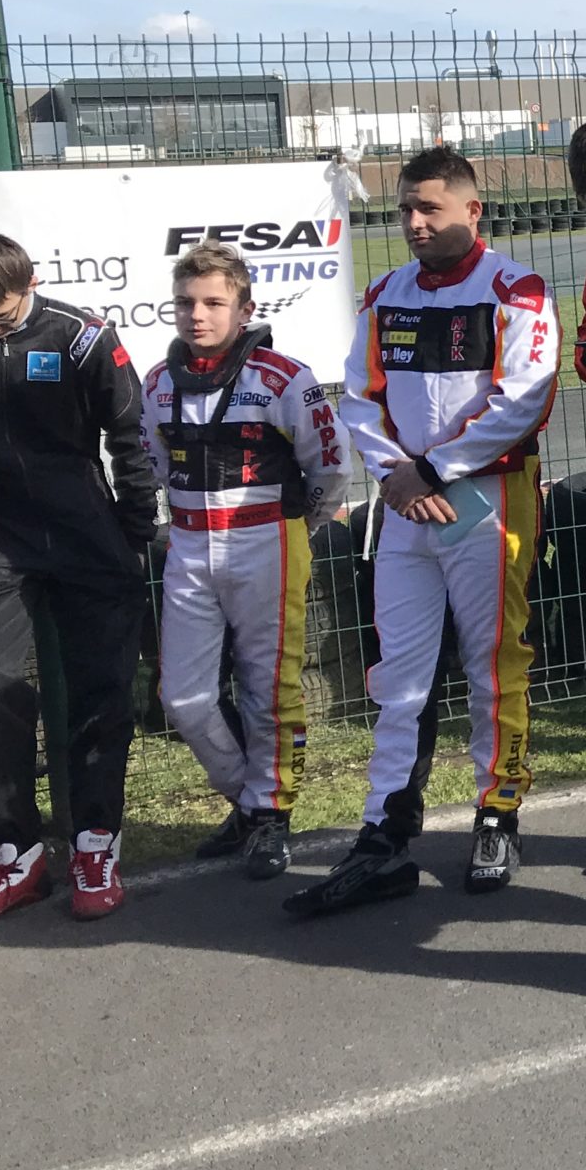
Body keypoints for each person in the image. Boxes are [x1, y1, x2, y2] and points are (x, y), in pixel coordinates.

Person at [288, 147, 558, 916]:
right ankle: (384, 835)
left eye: (429, 208)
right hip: (406, 508)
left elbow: (524, 401)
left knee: (492, 665)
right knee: (398, 675)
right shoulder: (386, 293)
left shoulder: (517, 290)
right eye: (406, 207)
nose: (413, 221)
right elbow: (358, 398)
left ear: (472, 211)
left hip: (488, 502)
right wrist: (397, 476)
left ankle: (498, 815)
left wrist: (432, 470)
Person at [0, 232, 158, 930]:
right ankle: (17, 855)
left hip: (82, 535)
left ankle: (96, 845)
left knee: (102, 688)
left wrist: (132, 530)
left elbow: (130, 437)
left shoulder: (81, 338)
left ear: (30, 284)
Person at [139, 242, 351, 881]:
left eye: (213, 302)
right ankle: (250, 801)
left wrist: (302, 524)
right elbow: (153, 465)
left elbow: (331, 466)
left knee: (269, 687)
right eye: (185, 303)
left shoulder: (283, 378)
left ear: (245, 308)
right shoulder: (157, 382)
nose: (196, 315)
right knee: (182, 697)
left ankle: (271, 815)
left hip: (268, 542)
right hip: (187, 546)